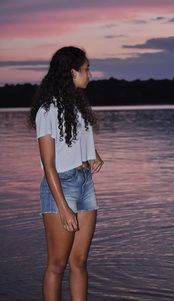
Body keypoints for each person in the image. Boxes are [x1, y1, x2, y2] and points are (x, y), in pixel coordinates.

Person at [29, 46, 103, 301]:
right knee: (57, 264)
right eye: (86, 69)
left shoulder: (78, 106)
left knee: (80, 261)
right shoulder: (47, 111)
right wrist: (62, 207)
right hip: (60, 186)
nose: (89, 75)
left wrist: (93, 153)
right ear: (72, 73)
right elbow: (48, 163)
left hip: (85, 183)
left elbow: (74, 141)